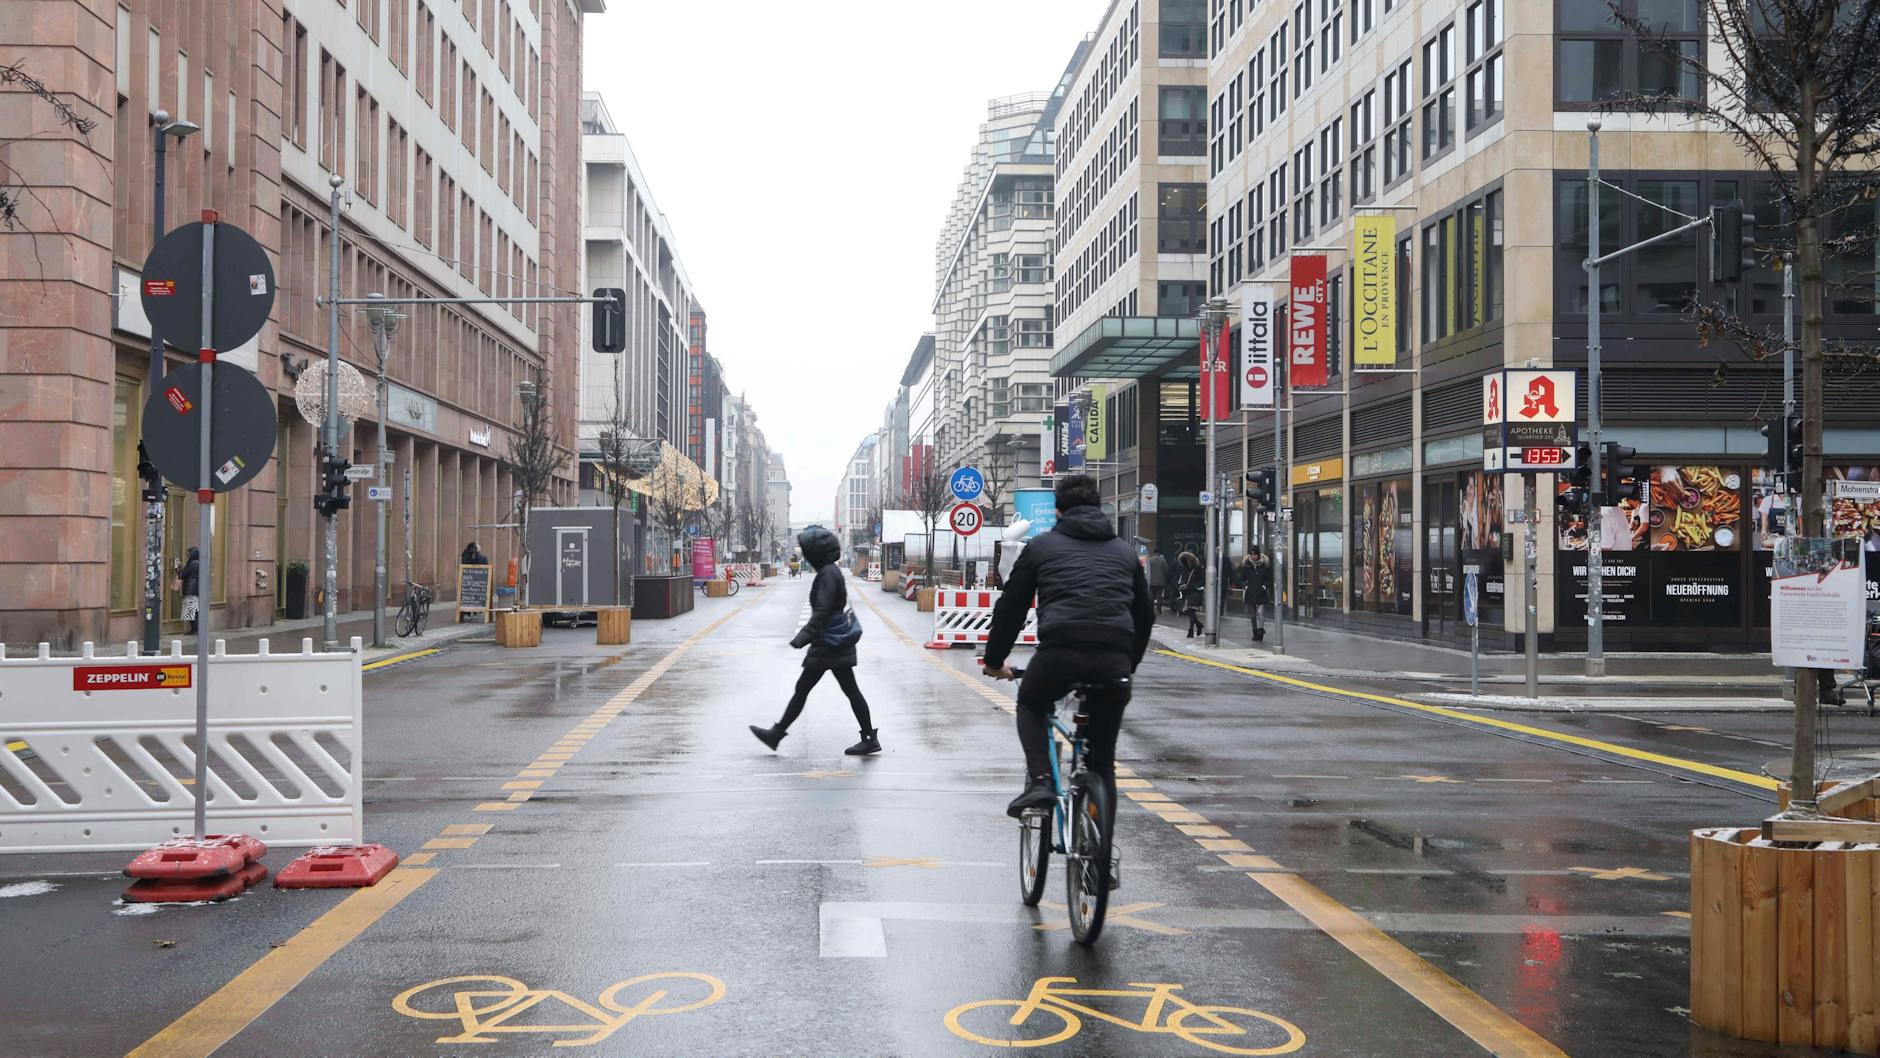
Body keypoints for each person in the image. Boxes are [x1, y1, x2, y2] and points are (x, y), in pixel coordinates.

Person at [982, 474, 1154, 818]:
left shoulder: (1041, 547)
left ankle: (1042, 781)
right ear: (1099, 508)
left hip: (1059, 653)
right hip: (1114, 663)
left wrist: (994, 660)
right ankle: (1100, 863)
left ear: (1058, 511)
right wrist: (1126, 664)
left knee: (1031, 703)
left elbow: (1011, 608)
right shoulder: (1124, 552)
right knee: (1102, 763)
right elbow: (1145, 616)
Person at [750, 526, 881, 756]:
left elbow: (822, 612)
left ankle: (777, 734)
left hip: (828, 643)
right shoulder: (829, 572)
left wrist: (802, 638)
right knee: (844, 690)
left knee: (806, 689)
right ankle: (868, 737)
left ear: (816, 554)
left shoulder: (828, 574)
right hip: (832, 643)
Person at [1241, 547, 1273, 642]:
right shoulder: (1247, 566)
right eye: (1252, 554)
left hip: (1261, 593)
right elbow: (1242, 578)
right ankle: (1255, 632)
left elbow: (1269, 579)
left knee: (1260, 612)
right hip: (1250, 592)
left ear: (1259, 555)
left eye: (1255, 554)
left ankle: (1261, 631)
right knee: (1253, 614)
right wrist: (1245, 586)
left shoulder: (1264, 566)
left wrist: (1264, 587)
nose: (1254, 556)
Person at [1174, 551, 1204, 638]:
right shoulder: (1183, 569)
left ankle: (1190, 630)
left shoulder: (1198, 569)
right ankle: (1198, 625)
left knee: (1191, 610)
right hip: (1186, 592)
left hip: (1195, 592)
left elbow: (1202, 581)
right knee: (1189, 611)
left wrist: (1189, 586)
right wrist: (1180, 586)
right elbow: (1180, 579)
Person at [175, 547, 201, 635]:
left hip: (191, 590)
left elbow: (183, 574)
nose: (187, 556)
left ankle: (195, 629)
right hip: (196, 590)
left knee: (191, 610)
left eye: (188, 554)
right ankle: (195, 629)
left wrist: (178, 569)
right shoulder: (198, 563)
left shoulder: (193, 563)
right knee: (195, 611)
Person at [1146, 550, 1168, 614]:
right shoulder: (1163, 560)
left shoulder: (1150, 560)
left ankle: (1150, 609)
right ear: (1159, 553)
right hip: (1160, 581)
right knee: (1159, 596)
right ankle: (1159, 610)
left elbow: (1147, 570)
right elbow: (1166, 570)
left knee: (1151, 596)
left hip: (1152, 580)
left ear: (1154, 553)